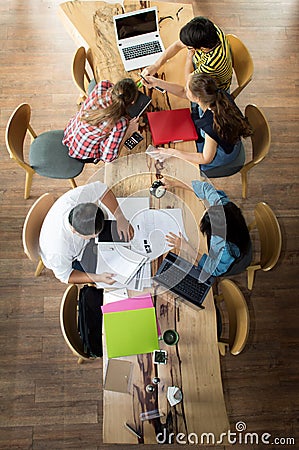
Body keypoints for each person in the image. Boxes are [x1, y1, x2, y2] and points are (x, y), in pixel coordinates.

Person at [146, 73, 252, 177]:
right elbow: (183, 91)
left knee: (179, 168)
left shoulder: (211, 125)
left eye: (188, 89)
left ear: (197, 98)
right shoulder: (217, 95)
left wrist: (172, 152)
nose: (185, 90)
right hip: (225, 138)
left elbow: (206, 159)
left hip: (220, 154)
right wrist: (157, 82)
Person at [39, 181, 134, 285]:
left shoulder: (76, 198)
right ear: (74, 231)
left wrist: (120, 216)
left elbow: (101, 189)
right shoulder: (58, 251)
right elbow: (65, 276)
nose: (97, 236)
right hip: (72, 259)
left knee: (122, 235)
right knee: (111, 274)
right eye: (92, 236)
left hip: (78, 242)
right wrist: (98, 278)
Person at [163, 179, 252, 280]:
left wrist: (186, 248)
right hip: (239, 236)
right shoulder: (222, 207)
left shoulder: (223, 249)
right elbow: (205, 188)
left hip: (236, 262)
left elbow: (213, 269)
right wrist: (174, 183)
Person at [142, 16, 232, 91]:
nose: (186, 47)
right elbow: (178, 45)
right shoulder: (210, 30)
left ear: (201, 48)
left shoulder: (213, 63)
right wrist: (156, 65)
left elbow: (189, 80)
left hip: (213, 88)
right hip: (201, 66)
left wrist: (189, 56)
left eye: (189, 47)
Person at [62, 78, 139, 164]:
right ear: (132, 103)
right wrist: (129, 131)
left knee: (109, 133)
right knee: (114, 138)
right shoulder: (119, 123)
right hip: (82, 153)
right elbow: (108, 158)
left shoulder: (102, 86)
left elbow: (113, 91)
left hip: (71, 132)